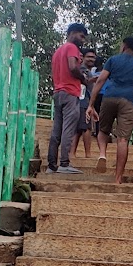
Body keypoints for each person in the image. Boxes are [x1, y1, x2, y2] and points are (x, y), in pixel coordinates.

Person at [86, 35, 133, 186]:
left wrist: (91, 104)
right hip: (128, 101)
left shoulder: (113, 60)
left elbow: (101, 80)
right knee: (123, 140)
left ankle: (102, 154)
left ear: (124, 46)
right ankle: (117, 179)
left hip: (109, 97)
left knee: (103, 130)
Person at [46, 23, 89, 174]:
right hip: (70, 92)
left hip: (58, 92)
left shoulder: (58, 51)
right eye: (81, 36)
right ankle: (64, 163)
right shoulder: (72, 48)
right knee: (68, 129)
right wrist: (83, 78)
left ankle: (51, 165)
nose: (83, 40)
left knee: (56, 129)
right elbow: (72, 67)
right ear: (72, 33)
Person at [74, 47, 99, 164]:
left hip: (85, 101)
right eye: (89, 57)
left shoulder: (88, 71)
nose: (91, 59)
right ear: (82, 57)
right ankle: (87, 154)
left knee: (79, 128)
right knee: (86, 128)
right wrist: (91, 80)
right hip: (82, 101)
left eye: (93, 57)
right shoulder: (83, 70)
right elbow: (82, 85)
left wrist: (92, 107)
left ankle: (72, 153)